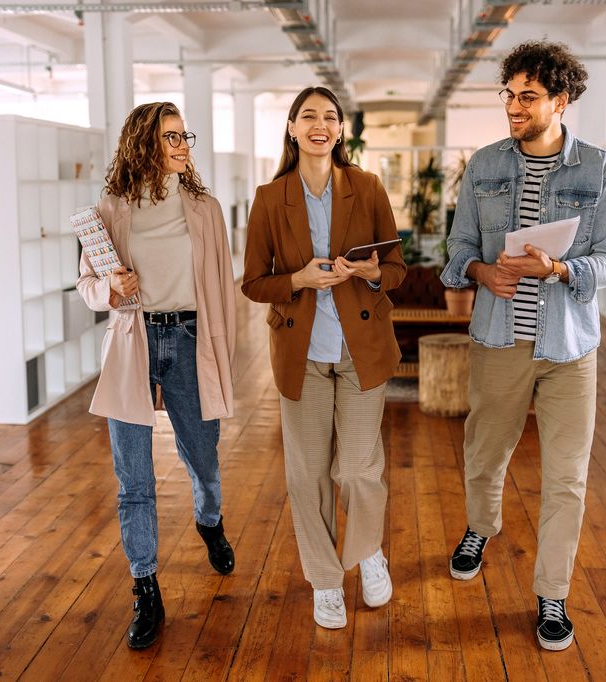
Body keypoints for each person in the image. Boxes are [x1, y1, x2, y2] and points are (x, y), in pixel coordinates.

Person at [440, 41, 606, 651]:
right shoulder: (485, 165)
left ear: (560, 101)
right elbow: (458, 250)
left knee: (567, 477)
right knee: (485, 452)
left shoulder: (599, 169)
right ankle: (480, 526)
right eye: (509, 95)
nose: (513, 107)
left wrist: (560, 270)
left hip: (570, 347)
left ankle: (552, 595)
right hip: (499, 338)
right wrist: (479, 274)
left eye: (528, 97)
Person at [241, 86, 407, 630]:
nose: (320, 125)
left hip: (361, 350)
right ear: (291, 128)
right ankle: (326, 581)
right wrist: (298, 280)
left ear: (341, 130)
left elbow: (397, 268)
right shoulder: (270, 197)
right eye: (308, 116)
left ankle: (368, 553)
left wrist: (370, 272)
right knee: (307, 475)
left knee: (360, 468)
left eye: (330, 117)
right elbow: (254, 283)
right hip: (302, 354)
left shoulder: (368, 186)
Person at [76, 102, 237, 650]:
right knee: (134, 483)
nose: (182, 143)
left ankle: (209, 520)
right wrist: (110, 289)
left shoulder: (205, 208)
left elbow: (221, 284)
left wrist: (226, 352)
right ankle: (145, 588)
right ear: (142, 142)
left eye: (184, 134)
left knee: (204, 459)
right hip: (133, 342)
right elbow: (88, 285)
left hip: (192, 341)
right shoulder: (111, 209)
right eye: (170, 136)